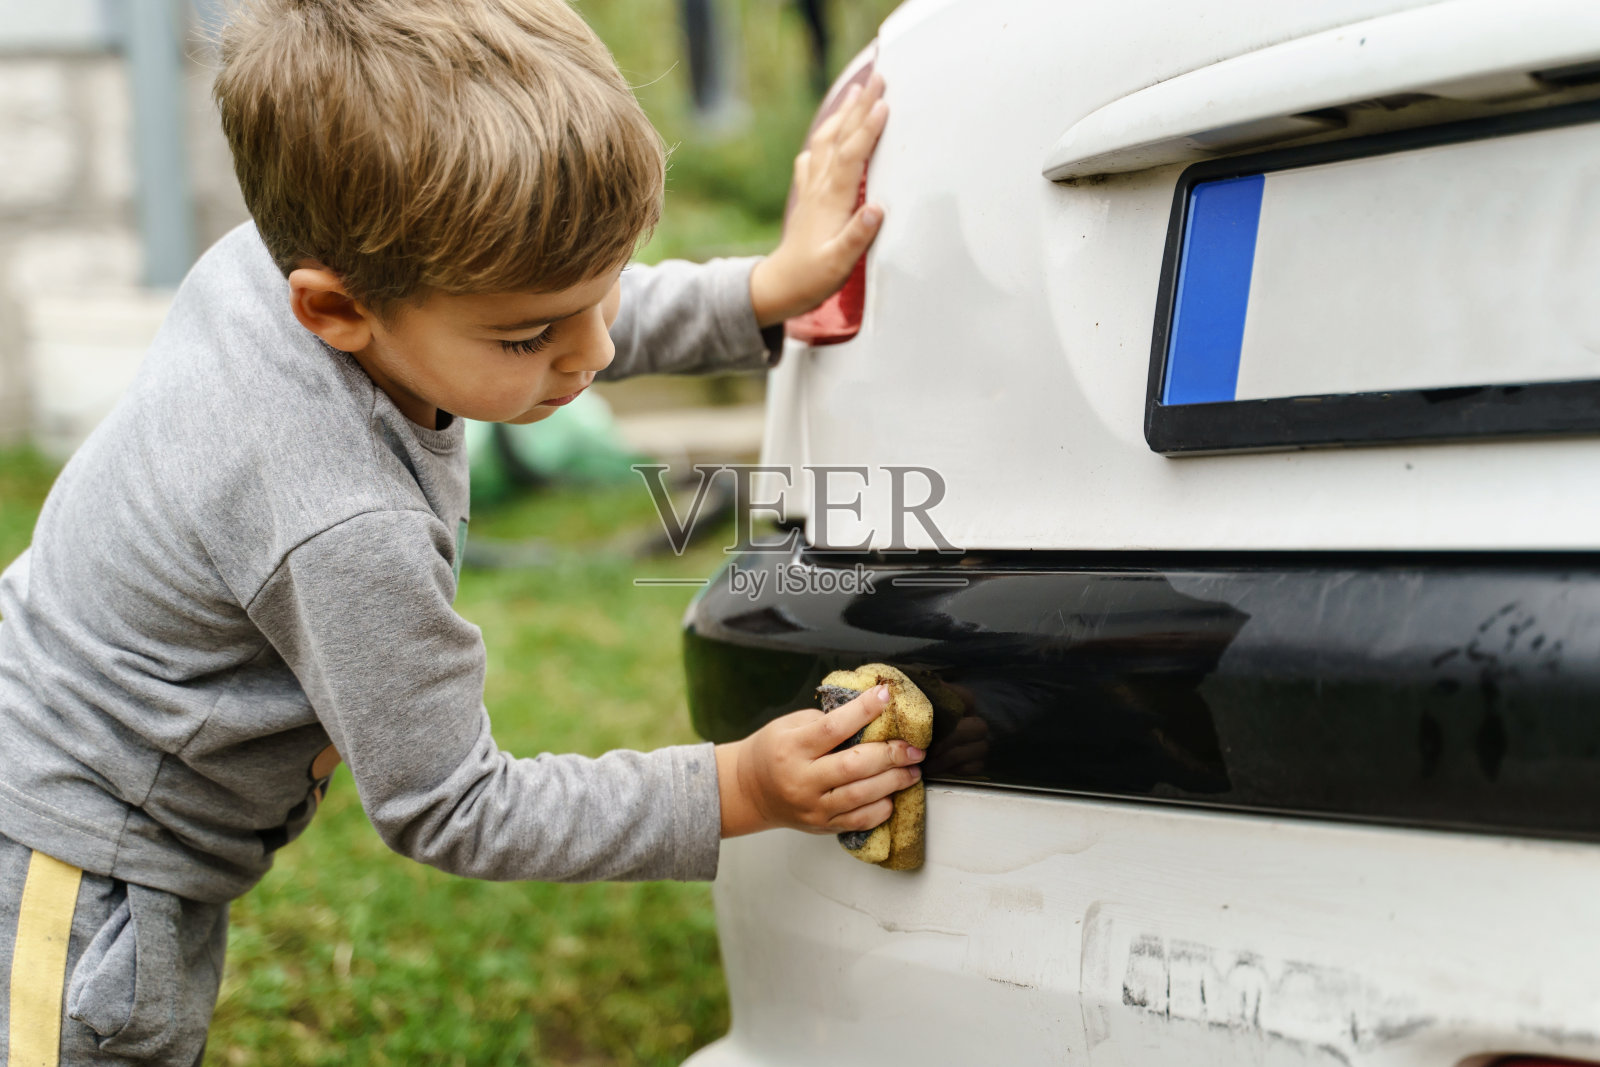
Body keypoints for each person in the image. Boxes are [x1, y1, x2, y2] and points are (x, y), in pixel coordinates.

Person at [0, 1, 909, 1062]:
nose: (591, 352)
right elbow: (452, 801)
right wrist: (732, 788)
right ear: (334, 310)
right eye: (529, 338)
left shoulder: (318, 247)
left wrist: (760, 290)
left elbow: (547, 298)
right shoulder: (340, 513)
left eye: (605, 294)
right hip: (71, 876)